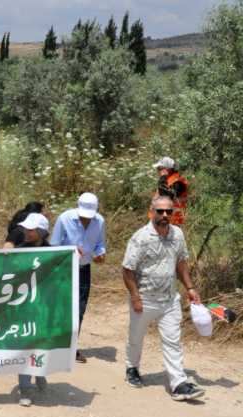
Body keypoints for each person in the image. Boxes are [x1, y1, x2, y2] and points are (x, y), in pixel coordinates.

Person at [122, 196, 205, 401]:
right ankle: (132, 368)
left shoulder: (177, 234)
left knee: (173, 341)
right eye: (160, 211)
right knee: (136, 337)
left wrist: (190, 288)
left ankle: (178, 384)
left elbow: (182, 263)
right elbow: (127, 269)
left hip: (169, 299)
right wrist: (135, 297)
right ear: (151, 212)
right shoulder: (141, 237)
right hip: (145, 299)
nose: (165, 215)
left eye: (169, 211)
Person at [50, 192, 106, 363]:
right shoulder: (64, 218)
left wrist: (100, 254)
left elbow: (100, 244)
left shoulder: (100, 221)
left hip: (83, 269)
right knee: (61, 308)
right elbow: (53, 246)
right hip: (63, 269)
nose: (86, 219)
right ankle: (54, 344)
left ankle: (71, 346)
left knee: (79, 309)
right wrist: (71, 251)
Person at [3, 212, 51, 406]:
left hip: (43, 307)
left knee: (40, 343)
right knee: (25, 345)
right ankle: (25, 388)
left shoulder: (54, 252)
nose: (26, 231)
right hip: (23, 307)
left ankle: (39, 372)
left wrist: (75, 255)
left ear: (40, 232)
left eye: (30, 229)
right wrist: (7, 252)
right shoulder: (20, 249)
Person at [152, 157, 188, 226]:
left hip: (172, 221)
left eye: (159, 168)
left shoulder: (178, 182)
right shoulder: (168, 180)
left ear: (167, 169)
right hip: (162, 220)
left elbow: (166, 196)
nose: (157, 171)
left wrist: (163, 177)